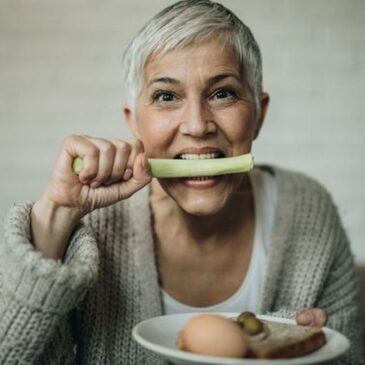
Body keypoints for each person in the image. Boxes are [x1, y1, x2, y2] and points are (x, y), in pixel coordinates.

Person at [0, 0, 363, 364]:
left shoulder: (309, 209)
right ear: (134, 122)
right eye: (166, 96)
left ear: (258, 114)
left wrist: (283, 346)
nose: (197, 124)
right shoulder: (91, 226)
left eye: (223, 93)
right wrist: (56, 213)